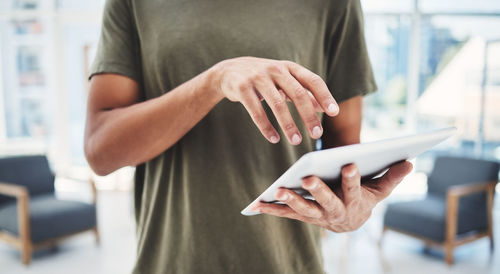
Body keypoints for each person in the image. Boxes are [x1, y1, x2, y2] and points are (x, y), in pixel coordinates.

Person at [84, 0, 413, 273]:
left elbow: (344, 154)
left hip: (290, 263)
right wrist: (215, 81)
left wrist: (349, 210)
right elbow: (101, 150)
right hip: (168, 263)